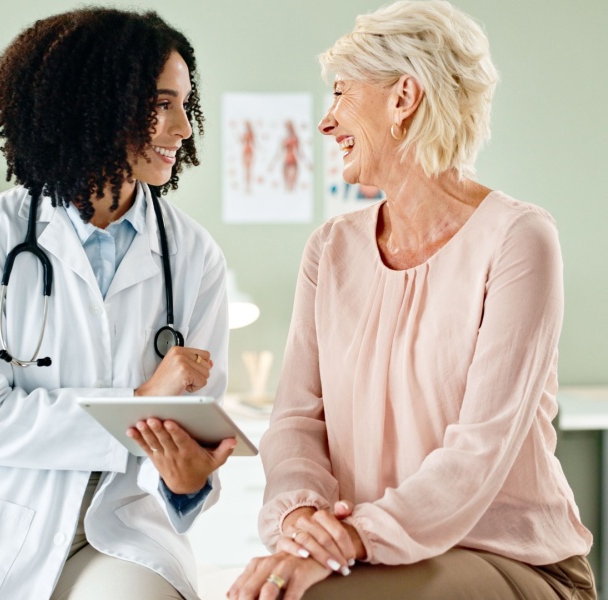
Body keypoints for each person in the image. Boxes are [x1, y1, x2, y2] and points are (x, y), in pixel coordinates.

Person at [228, 2, 595, 599]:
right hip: (371, 551)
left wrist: (351, 539)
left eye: (342, 93)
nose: (327, 122)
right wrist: (300, 522)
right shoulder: (331, 248)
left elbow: (480, 449)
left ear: (403, 99)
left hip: (507, 557)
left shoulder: (518, 238)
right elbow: (295, 421)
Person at [0, 8, 236, 600]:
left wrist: (186, 484)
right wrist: (137, 405)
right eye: (161, 104)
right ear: (94, 104)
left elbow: (193, 429)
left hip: (119, 527)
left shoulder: (193, 256)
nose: (183, 127)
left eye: (186, 103)